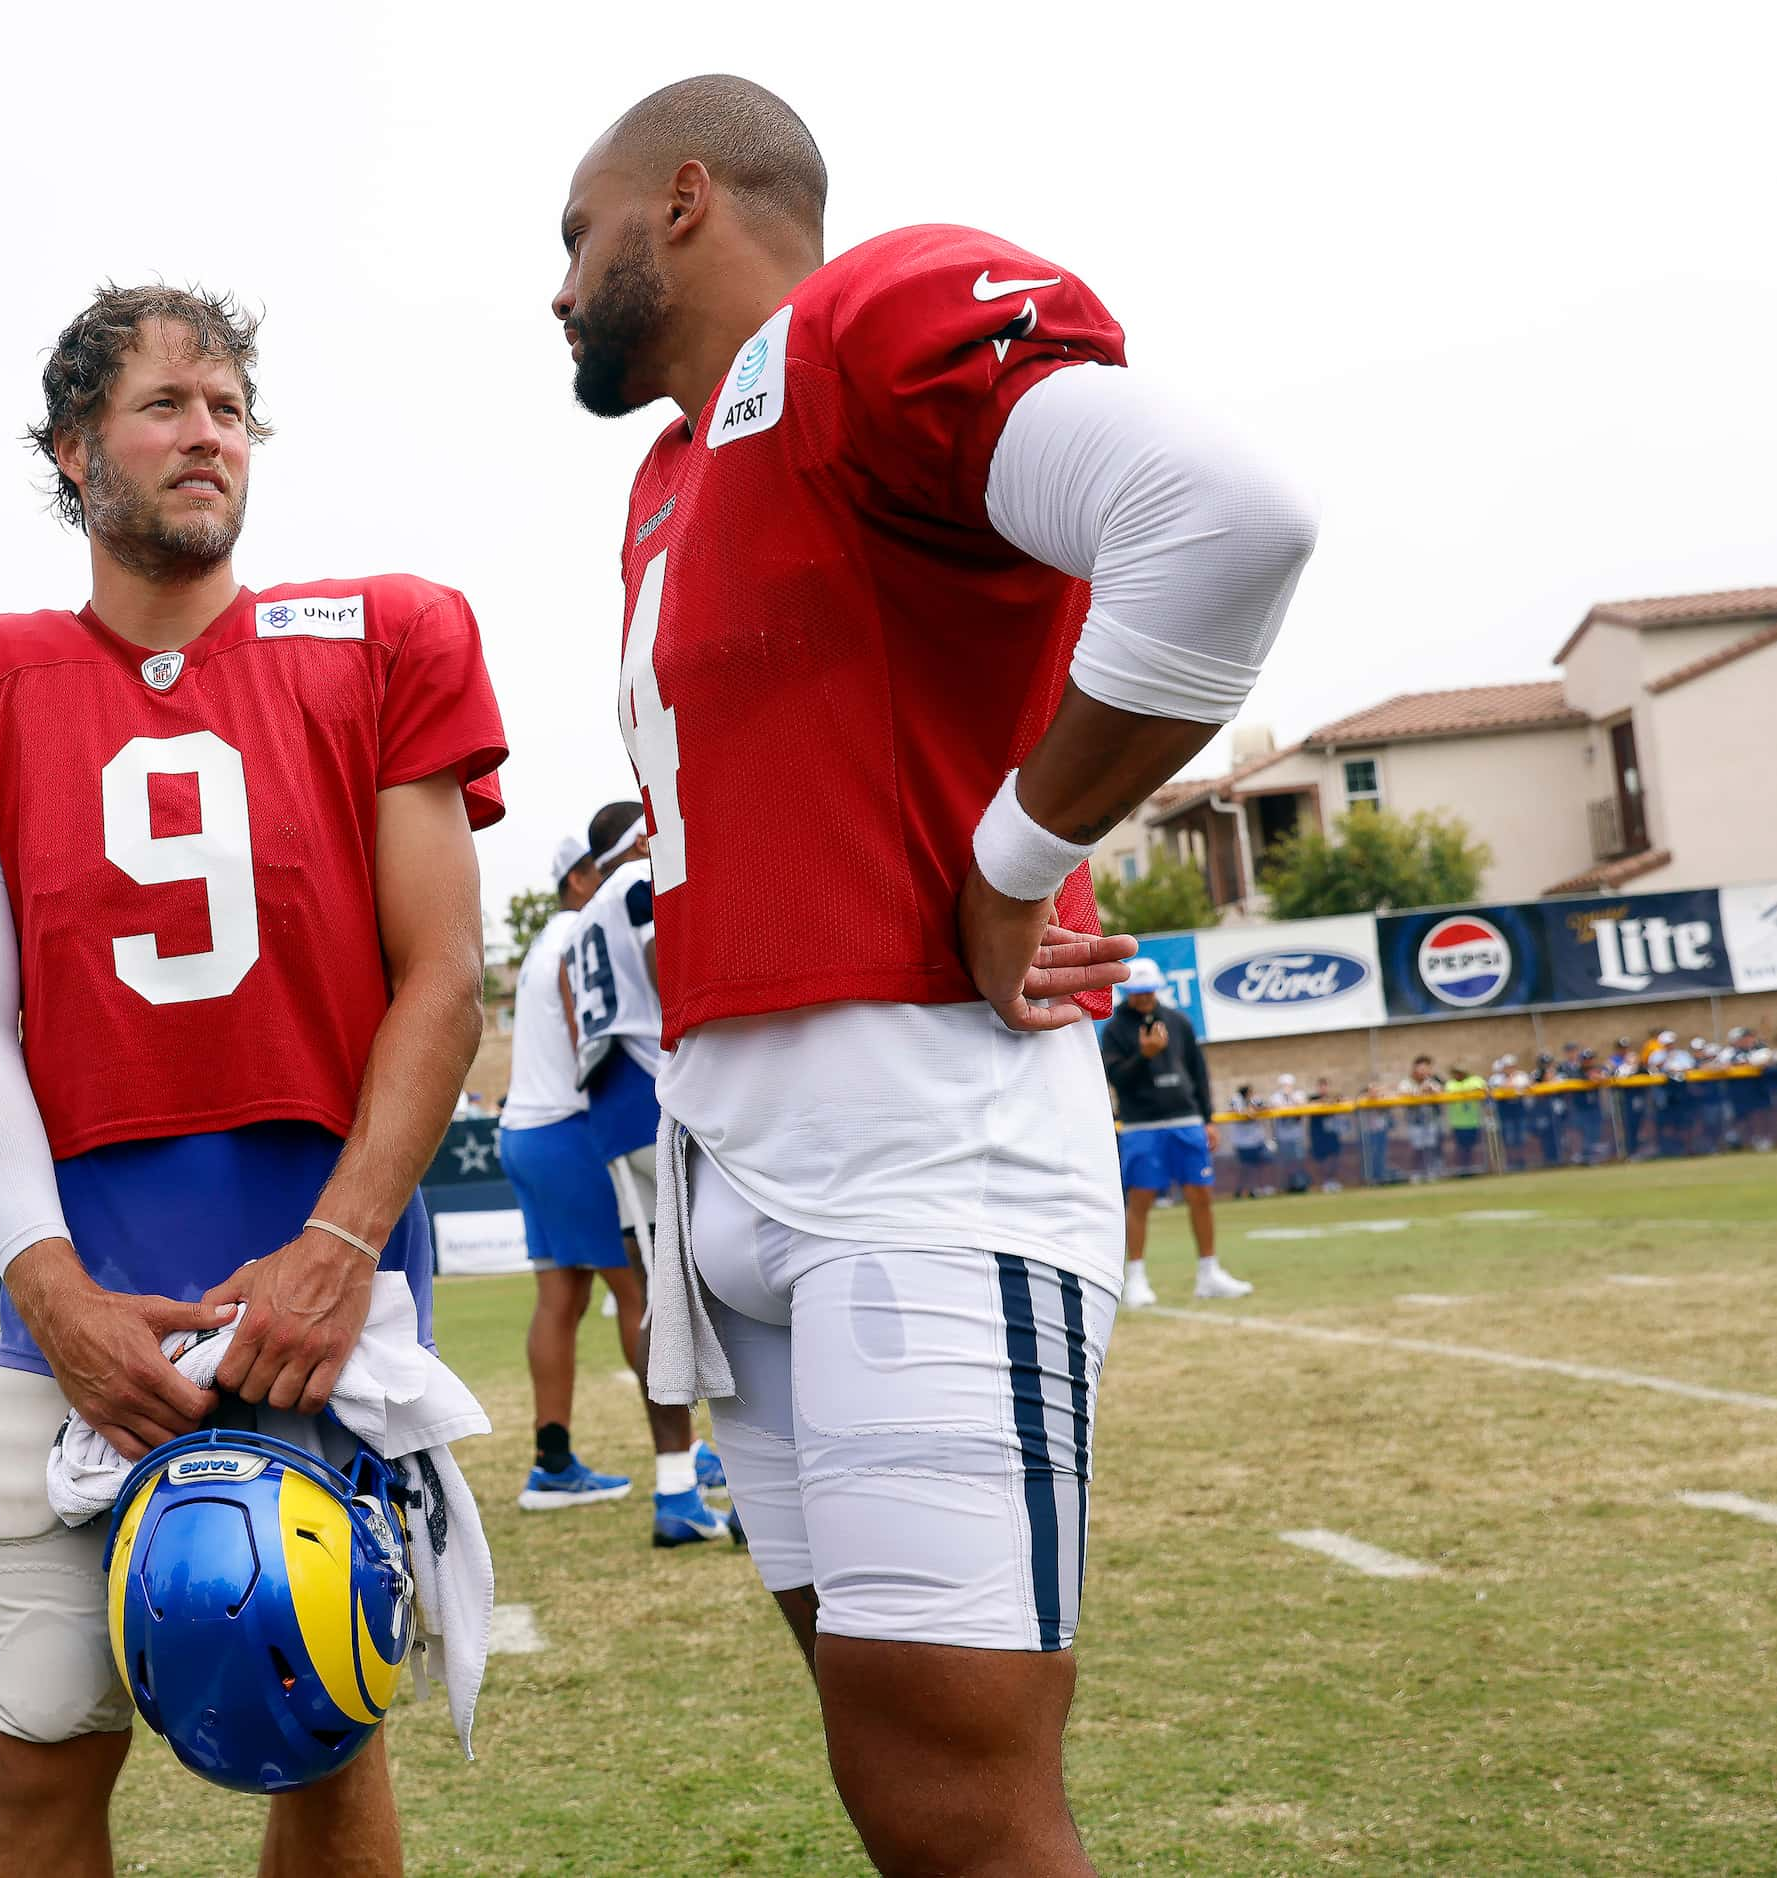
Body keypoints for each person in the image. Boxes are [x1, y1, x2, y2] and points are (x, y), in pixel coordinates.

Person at [552, 75, 1312, 1873]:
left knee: (964, 1791)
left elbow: (1222, 520)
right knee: (888, 1773)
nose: (556, 286)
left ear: (679, 201)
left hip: (915, 1142)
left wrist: (1013, 856)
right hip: (728, 1162)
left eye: (569, 236)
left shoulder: (866, 320)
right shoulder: (667, 476)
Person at [0, 280, 503, 1878]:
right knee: (42, 1746)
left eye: (229, 408)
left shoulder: (388, 634)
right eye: (164, 404)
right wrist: (52, 1297)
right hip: (77, 1298)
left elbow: (447, 976)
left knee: (319, 1732)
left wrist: (337, 1251)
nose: (208, 434)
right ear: (73, 451)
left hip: (320, 1289)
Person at [556, 802, 736, 1544]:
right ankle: (752, 1480)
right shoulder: (636, 885)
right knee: (728, 1283)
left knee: (657, 1299)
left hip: (611, 1104)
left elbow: (577, 1017)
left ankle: (674, 1486)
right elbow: (672, 974)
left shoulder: (578, 924)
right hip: (660, 1092)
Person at [1100, 961, 1248, 1305]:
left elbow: (1198, 1072)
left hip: (1186, 1121)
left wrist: (1207, 1118)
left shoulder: (1179, 1021)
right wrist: (1144, 1055)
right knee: (1140, 1200)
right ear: (1127, 992)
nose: (1144, 999)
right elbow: (1116, 1077)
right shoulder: (1114, 1030)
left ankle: (1209, 1273)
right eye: (1137, 993)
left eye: (1149, 991)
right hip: (1142, 1125)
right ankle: (1135, 1279)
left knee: (1201, 1195)